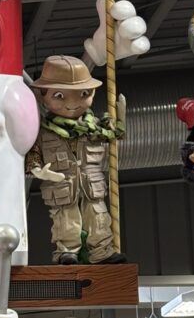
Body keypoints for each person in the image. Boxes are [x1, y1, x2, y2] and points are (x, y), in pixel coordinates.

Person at [25, 55, 127, 265]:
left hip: (92, 184)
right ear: (43, 95)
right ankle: (66, 252)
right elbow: (32, 153)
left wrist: (120, 122)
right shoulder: (42, 131)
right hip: (61, 186)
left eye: (83, 94)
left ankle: (102, 251)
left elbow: (113, 135)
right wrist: (37, 170)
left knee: (98, 216)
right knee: (65, 219)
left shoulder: (95, 127)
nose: (72, 104)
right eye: (59, 95)